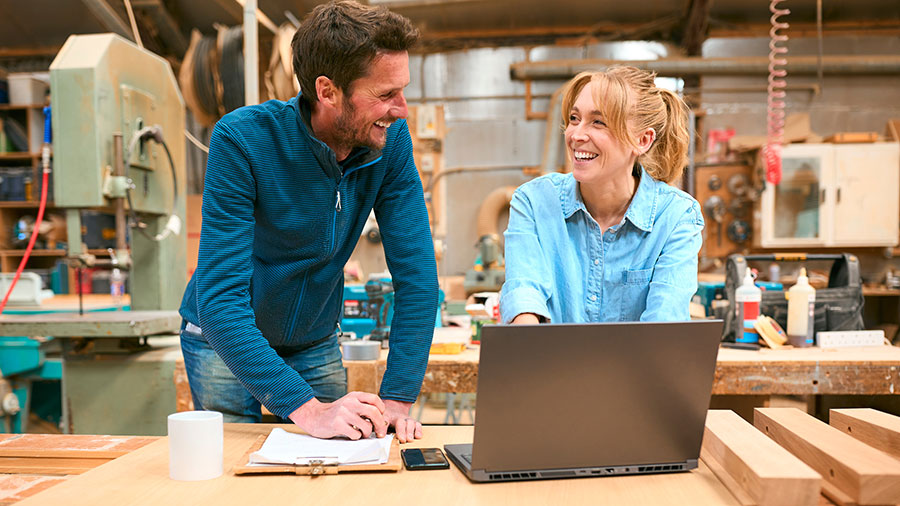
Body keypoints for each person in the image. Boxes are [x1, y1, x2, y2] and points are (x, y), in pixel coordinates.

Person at [178, 0, 438, 443]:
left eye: (403, 90)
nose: (402, 109)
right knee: (231, 475)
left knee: (336, 466)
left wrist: (397, 398)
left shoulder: (389, 143)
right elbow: (221, 300)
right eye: (384, 95)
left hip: (313, 341)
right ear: (327, 90)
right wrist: (309, 411)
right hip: (225, 340)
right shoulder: (242, 139)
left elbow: (417, 279)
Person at [500, 66, 703, 324]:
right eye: (574, 118)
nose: (576, 134)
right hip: (548, 363)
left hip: (639, 365)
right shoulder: (534, 202)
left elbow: (663, 326)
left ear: (642, 140)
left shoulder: (676, 217)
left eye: (598, 122)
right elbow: (524, 297)